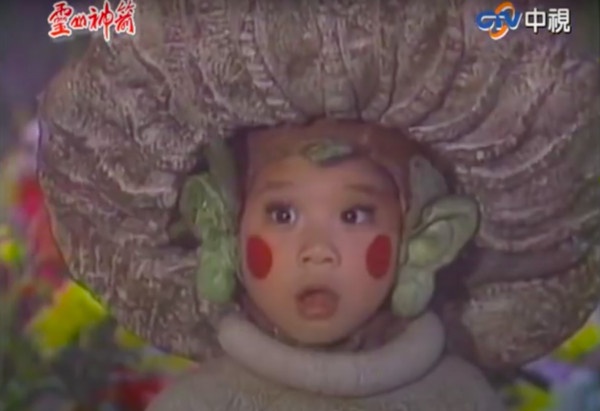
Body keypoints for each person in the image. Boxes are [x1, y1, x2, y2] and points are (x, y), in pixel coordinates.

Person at [36, 0, 600, 409]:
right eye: (282, 215)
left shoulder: (459, 400)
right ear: (223, 226)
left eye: (355, 216)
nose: (316, 250)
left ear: (423, 239)